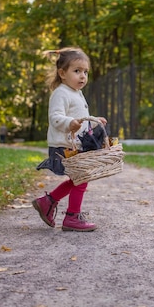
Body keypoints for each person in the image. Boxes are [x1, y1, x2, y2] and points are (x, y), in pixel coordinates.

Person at [32, 47, 107, 232]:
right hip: (64, 146)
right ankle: (72, 216)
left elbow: (80, 121)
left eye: (85, 72)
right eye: (77, 71)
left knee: (79, 178)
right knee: (81, 179)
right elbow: (55, 117)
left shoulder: (76, 93)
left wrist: (95, 122)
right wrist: (69, 123)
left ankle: (48, 202)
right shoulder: (61, 92)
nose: (82, 76)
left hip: (75, 144)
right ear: (62, 73)